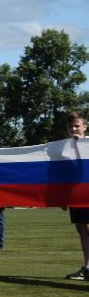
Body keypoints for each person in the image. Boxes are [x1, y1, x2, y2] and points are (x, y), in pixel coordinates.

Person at [65, 112, 89, 281]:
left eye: (77, 126)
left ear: (84, 127)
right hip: (75, 194)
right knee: (81, 228)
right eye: (71, 126)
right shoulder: (64, 147)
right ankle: (87, 266)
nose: (74, 129)